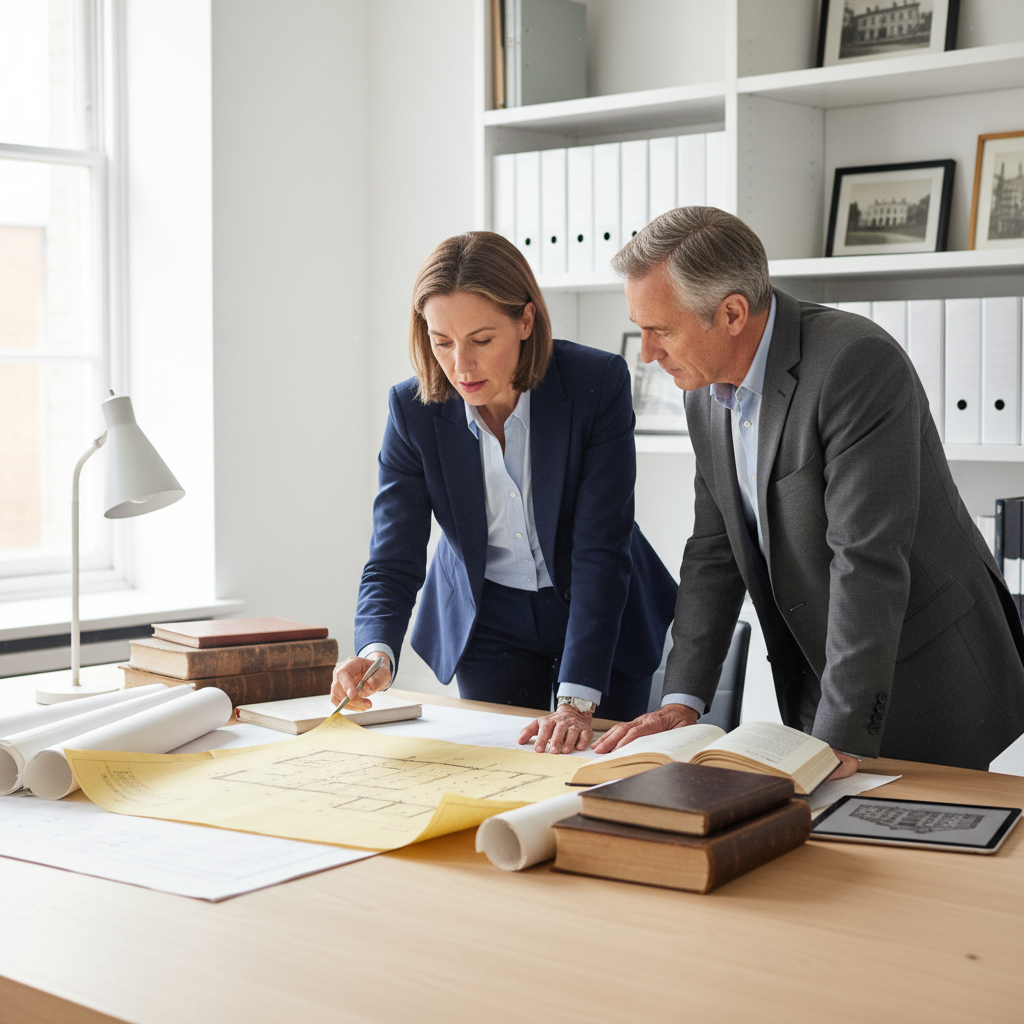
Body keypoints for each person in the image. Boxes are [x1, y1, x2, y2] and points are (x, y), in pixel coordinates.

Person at [593, 206, 1024, 772]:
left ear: (732, 313)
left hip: (928, 674)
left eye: (660, 331)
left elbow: (865, 558)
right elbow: (713, 552)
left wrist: (841, 736)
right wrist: (681, 701)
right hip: (822, 674)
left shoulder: (854, 364)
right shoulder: (702, 391)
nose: (646, 354)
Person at [332, 231, 677, 754]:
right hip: (487, 619)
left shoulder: (595, 382)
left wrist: (578, 701)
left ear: (525, 321)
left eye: (481, 340)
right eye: (441, 341)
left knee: (602, 773)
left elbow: (601, 548)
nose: (461, 366)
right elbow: (392, 556)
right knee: (501, 768)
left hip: (599, 611)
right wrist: (376, 650)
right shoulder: (412, 410)